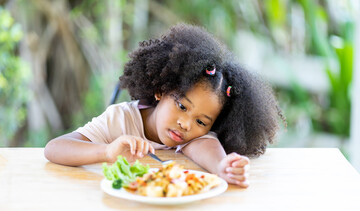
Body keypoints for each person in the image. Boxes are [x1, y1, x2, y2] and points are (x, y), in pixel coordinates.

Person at [45, 23, 284, 188]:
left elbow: (208, 151)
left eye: (202, 121)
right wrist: (106, 151)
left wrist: (224, 167)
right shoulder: (120, 120)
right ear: (161, 90)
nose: (186, 124)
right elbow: (55, 148)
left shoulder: (194, 136)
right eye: (182, 106)